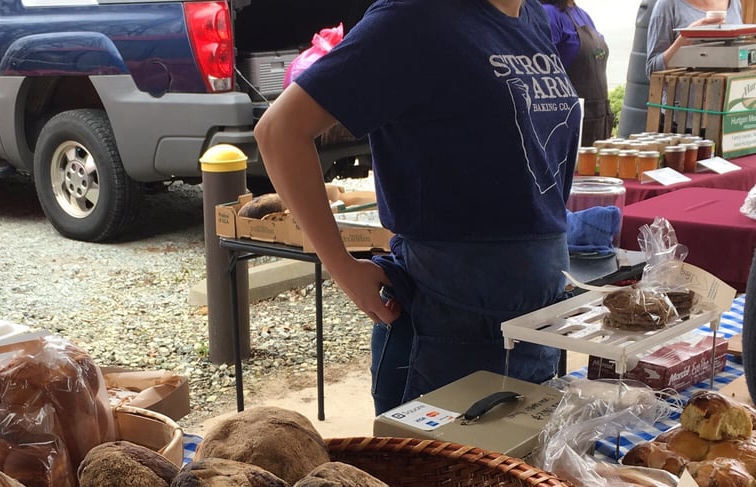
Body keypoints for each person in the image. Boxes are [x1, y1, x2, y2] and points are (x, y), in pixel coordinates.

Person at [254, 0, 581, 415]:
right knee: (438, 477)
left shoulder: (532, 15)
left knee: (518, 474)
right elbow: (279, 131)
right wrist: (342, 268)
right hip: (452, 315)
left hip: (536, 309)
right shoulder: (416, 17)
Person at [540, 0, 614, 144]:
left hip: (599, 121)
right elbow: (541, 71)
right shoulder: (548, 14)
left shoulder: (583, 15)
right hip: (569, 127)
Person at [646, 0, 743, 77]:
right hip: (684, 100)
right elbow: (652, 70)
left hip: (732, 99)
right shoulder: (668, 4)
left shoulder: (734, 3)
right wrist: (684, 40)